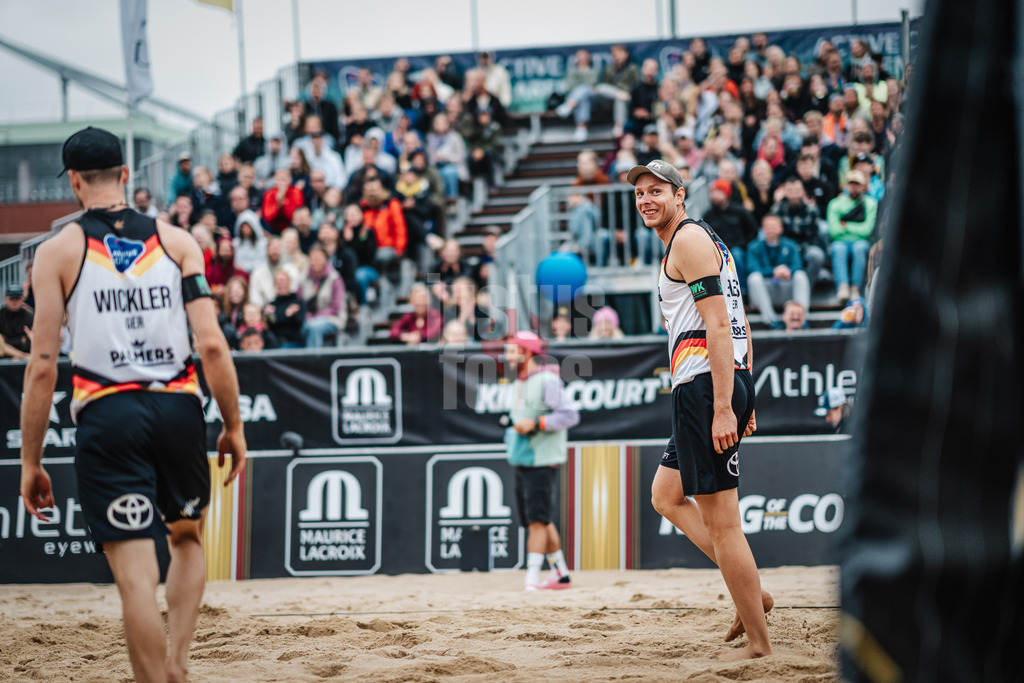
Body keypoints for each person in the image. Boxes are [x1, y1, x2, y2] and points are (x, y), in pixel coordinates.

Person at [20, 126, 245, 683]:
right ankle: (178, 664)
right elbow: (212, 344)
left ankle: (153, 680)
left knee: (134, 572)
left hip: (107, 412)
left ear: (74, 182)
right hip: (177, 407)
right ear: (126, 175)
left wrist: (31, 461)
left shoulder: (57, 252)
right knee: (187, 538)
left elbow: (43, 364)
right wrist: (234, 425)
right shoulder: (178, 242)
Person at [627, 160, 772, 660]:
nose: (646, 199)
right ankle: (753, 593)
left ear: (680, 195)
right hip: (719, 381)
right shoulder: (706, 240)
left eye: (656, 191)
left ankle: (759, 643)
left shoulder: (687, 241)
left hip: (706, 386)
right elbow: (739, 320)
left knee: (725, 523)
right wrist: (743, 384)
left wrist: (727, 404)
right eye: (640, 193)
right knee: (665, 495)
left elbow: (717, 325)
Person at [503, 331, 580, 591]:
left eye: (512, 350)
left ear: (526, 353)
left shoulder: (547, 380)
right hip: (524, 460)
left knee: (537, 521)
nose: (507, 355)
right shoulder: (520, 382)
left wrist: (536, 423)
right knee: (541, 520)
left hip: (542, 460)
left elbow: (570, 415)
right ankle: (560, 574)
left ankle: (531, 580)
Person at [745, 214, 811, 330]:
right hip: (765, 290)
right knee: (754, 278)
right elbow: (752, 268)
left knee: (800, 276)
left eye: (774, 226)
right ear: (763, 229)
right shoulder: (753, 247)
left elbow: (797, 265)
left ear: (781, 228)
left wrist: (787, 271)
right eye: (767, 226)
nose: (770, 229)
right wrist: (774, 271)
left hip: (786, 288)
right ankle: (771, 321)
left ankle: (801, 318)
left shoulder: (790, 245)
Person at [826, 170, 876, 301]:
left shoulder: (870, 203)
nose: (854, 187)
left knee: (859, 248)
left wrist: (846, 225)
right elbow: (834, 231)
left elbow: (867, 230)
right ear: (846, 185)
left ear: (863, 186)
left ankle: (855, 288)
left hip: (861, 241)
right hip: (840, 241)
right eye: (851, 183)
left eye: (857, 184)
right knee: (838, 249)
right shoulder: (835, 203)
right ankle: (842, 287)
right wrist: (856, 228)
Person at [299, 244, 346, 348]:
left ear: (325, 259)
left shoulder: (335, 278)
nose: (315, 261)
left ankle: (313, 361)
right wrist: (307, 316)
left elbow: (336, 307)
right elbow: (300, 303)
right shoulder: (303, 278)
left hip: (332, 318)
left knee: (314, 328)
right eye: (312, 258)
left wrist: (315, 318)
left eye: (318, 258)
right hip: (308, 319)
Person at [0, 284, 33, 359]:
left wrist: (7, 341)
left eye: (17, 298)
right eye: (12, 298)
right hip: (5, 357)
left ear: (22, 299)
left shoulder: (29, 316)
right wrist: (21, 340)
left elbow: (29, 343)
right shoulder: (1, 315)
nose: (14, 302)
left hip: (27, 355)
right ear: (5, 299)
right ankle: (21, 355)